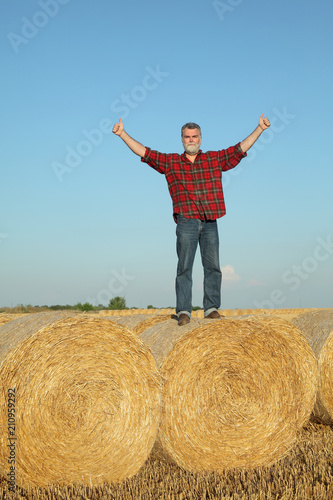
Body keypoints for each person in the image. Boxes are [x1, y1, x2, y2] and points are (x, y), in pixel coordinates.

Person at [112, 114, 271, 325]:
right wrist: (123, 134)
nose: (191, 140)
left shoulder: (213, 159)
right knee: (184, 268)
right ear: (182, 140)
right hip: (186, 221)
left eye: (194, 136)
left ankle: (211, 308)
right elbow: (145, 152)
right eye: (187, 137)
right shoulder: (171, 162)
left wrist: (259, 129)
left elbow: (239, 149)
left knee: (213, 267)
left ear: (201, 139)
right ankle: (184, 312)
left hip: (210, 221)